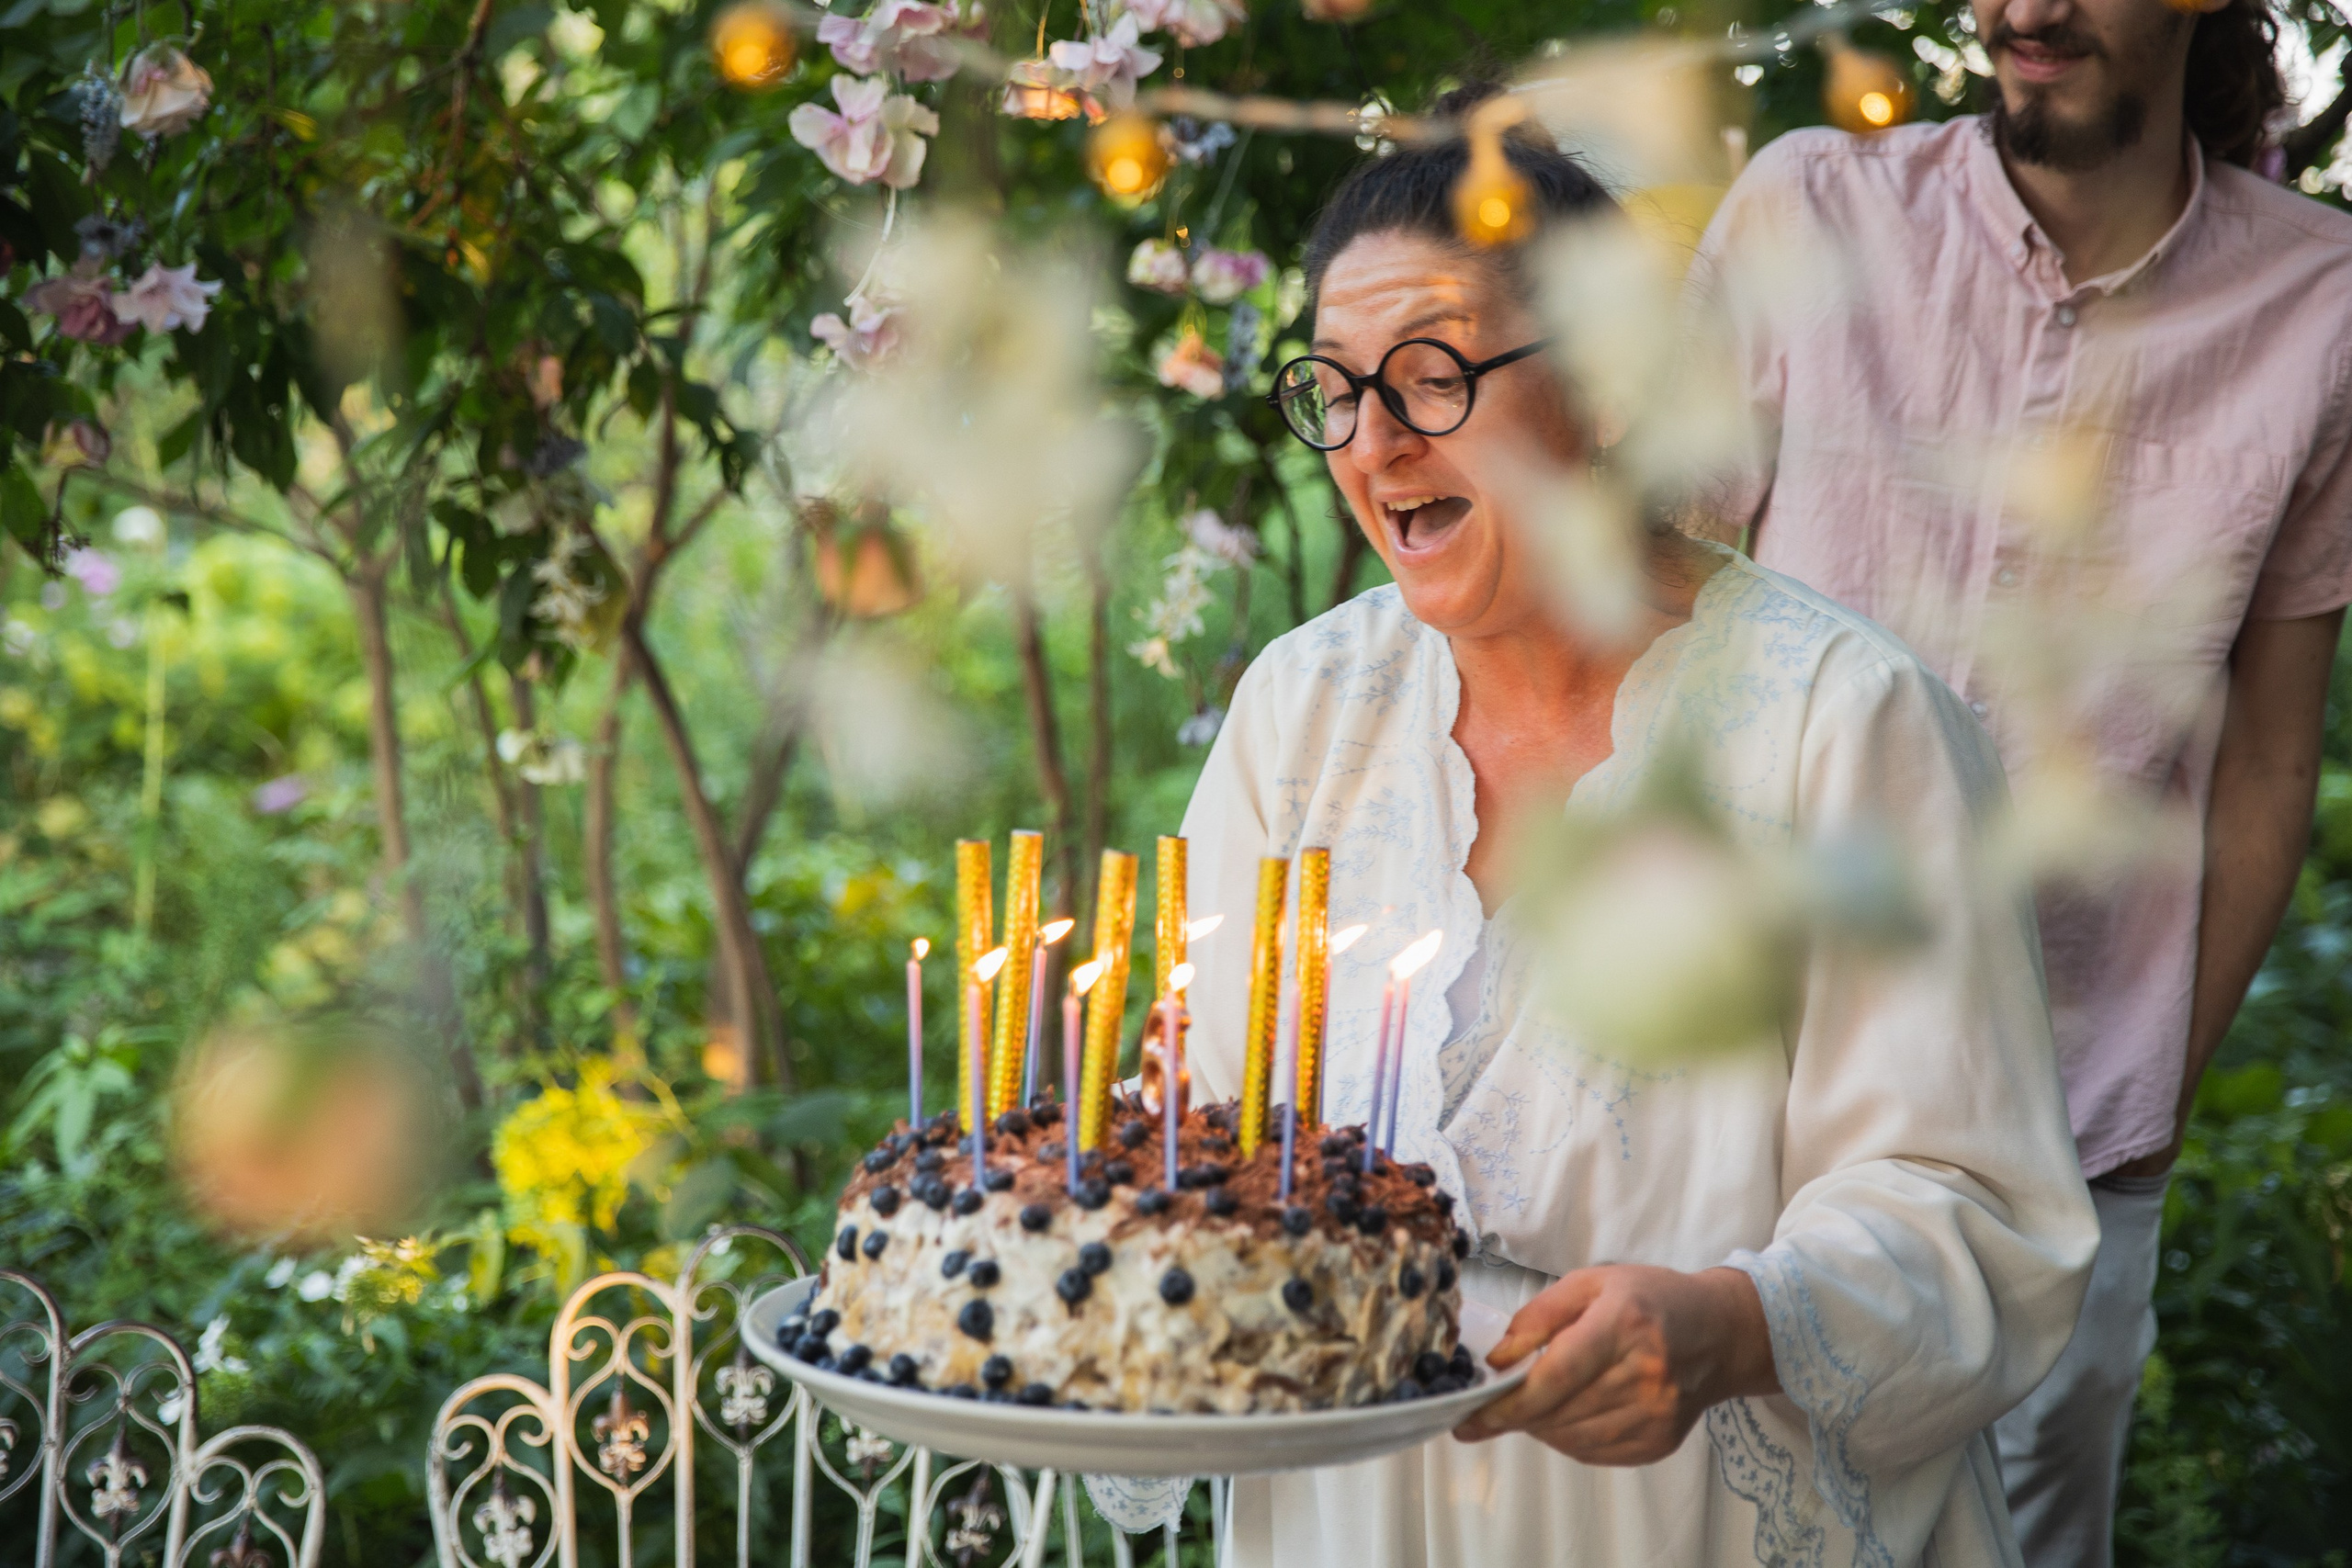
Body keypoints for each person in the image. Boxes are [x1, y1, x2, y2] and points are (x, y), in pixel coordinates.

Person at [1175, 98, 2098, 1568]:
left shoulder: (1844, 724)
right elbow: (1210, 1146)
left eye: (1429, 375)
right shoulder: (1303, 719)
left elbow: (1975, 1214)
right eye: (1334, 389)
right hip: (1361, 1518)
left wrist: (1736, 1326)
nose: (1373, 443)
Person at [1689, 3, 2352, 1561]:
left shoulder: (2323, 311)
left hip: (2066, 1154)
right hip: (1739, 1105)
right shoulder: (1808, 212)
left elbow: (2266, 765)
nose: (2021, 14)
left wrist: (2136, 1121)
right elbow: (1651, 619)